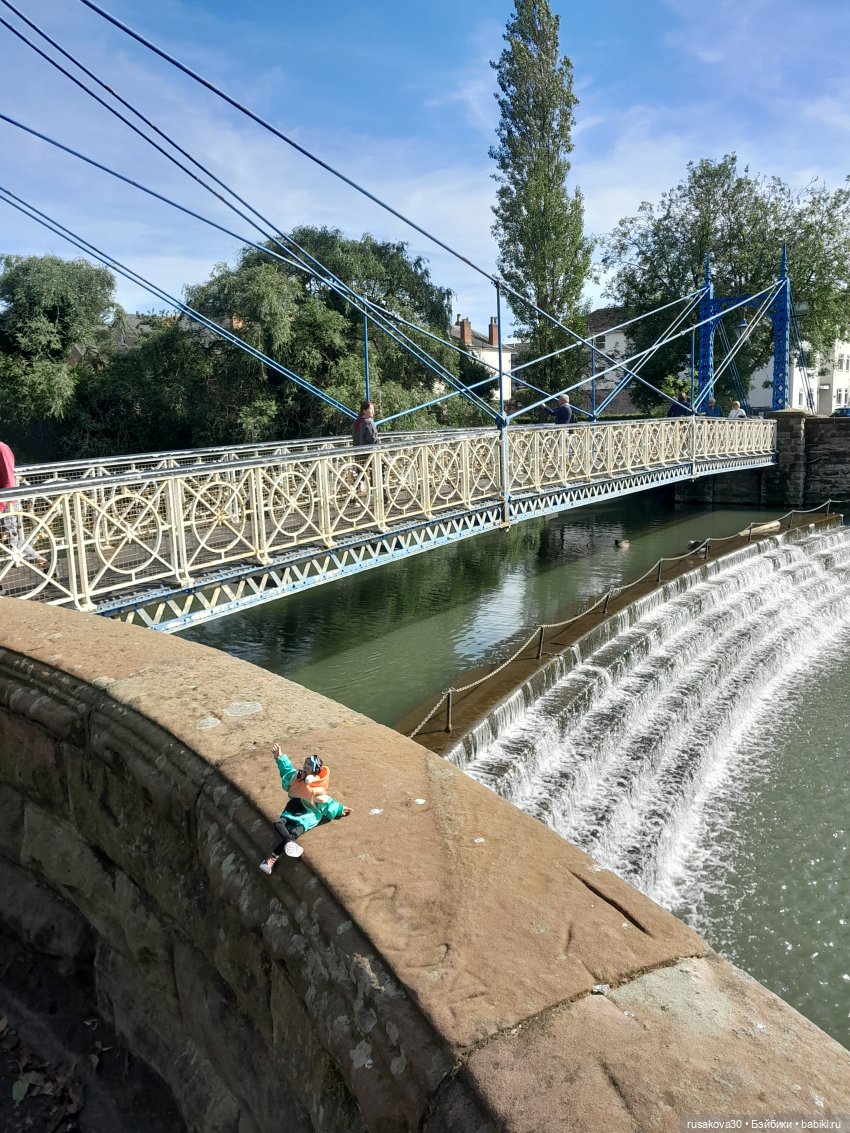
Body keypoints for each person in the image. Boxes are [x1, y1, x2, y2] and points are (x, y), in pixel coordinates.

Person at [259, 744, 351, 873]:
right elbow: (286, 771)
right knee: (278, 824)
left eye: (309, 764)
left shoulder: (316, 789)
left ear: (315, 768)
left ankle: (270, 860)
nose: (305, 765)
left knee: (294, 832)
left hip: (308, 816)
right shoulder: (295, 777)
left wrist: (340, 809)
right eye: (305, 763)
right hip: (291, 810)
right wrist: (279, 757)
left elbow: (328, 804)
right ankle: (290, 842)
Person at [0, 441, 46, 569]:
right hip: (4, 502)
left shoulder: (2, 449)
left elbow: (9, 482)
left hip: (7, 503)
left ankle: (41, 561)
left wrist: (1, 506)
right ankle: (41, 561)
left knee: (12, 543)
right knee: (10, 543)